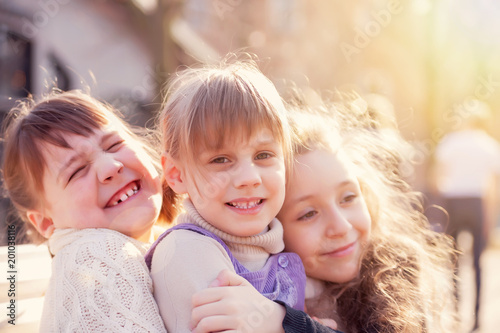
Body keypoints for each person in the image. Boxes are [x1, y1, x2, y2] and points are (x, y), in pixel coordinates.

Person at [191, 99, 459, 333]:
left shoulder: (396, 268)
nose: (340, 227)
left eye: (348, 198)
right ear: (271, 230)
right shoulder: (254, 291)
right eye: (308, 214)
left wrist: (284, 323)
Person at [145, 61, 307, 332]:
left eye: (263, 155)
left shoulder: (285, 250)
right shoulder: (187, 251)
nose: (249, 178)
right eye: (220, 160)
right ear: (176, 174)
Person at [2, 90, 174, 332]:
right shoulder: (96, 258)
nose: (111, 167)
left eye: (114, 144)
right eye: (76, 171)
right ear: (44, 222)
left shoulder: (173, 239)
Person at [433, 99, 500, 331]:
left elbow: (438, 180)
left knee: (453, 262)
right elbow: (493, 187)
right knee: (478, 263)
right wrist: (489, 218)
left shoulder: (450, 142)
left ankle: (455, 313)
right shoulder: (489, 145)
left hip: (453, 203)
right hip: (477, 203)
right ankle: (478, 318)